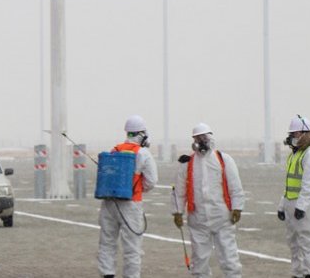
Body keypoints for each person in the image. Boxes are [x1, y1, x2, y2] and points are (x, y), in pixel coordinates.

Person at [173, 123, 245, 277]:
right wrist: (177, 211)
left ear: (211, 137)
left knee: (229, 258)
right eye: (198, 138)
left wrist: (237, 207)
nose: (201, 140)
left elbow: (235, 185)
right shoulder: (187, 163)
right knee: (199, 261)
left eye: (204, 137)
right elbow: (179, 191)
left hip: (222, 218)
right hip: (198, 219)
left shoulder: (224, 160)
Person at [97, 115, 158, 278]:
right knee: (132, 248)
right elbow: (151, 181)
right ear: (142, 134)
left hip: (109, 204)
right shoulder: (143, 153)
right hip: (131, 205)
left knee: (107, 243)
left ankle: (107, 274)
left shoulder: (114, 150)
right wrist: (138, 188)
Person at [278, 115, 310, 278]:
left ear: (304, 133)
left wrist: (301, 207)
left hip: (308, 206)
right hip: (292, 204)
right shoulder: (295, 154)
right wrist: (282, 206)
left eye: (294, 134)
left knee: (308, 242)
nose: (291, 138)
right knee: (294, 243)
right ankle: (297, 273)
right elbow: (290, 184)